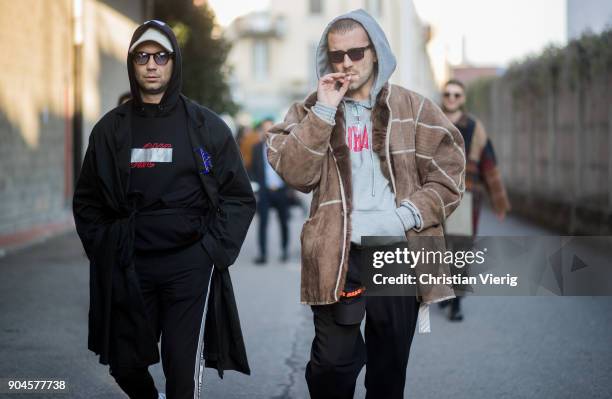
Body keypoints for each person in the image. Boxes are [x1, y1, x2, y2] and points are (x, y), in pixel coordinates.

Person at [265, 9, 465, 399]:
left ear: (375, 52)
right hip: (338, 254)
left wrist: (406, 215)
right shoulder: (311, 110)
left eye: (356, 53)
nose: (346, 63)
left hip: (396, 254)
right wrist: (323, 111)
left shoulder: (415, 108)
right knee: (330, 369)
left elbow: (450, 173)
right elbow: (295, 173)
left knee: (389, 370)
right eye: (337, 55)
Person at [73, 20, 255, 399]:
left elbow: (238, 196)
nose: (152, 64)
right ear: (131, 63)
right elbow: (87, 201)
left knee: (180, 369)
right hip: (129, 263)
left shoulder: (206, 126)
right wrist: (107, 248)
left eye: (161, 55)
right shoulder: (109, 131)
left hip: (189, 265)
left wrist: (212, 251)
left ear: (174, 62)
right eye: (142, 56)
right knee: (124, 364)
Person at [439, 78, 511, 321]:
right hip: (433, 196)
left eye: (456, 94)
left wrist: (499, 203)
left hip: (463, 197)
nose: (451, 98)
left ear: (463, 98)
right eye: (447, 93)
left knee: (459, 251)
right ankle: (443, 292)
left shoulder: (474, 127)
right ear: (442, 95)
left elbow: (489, 163)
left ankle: (456, 302)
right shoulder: (431, 120)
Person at [249, 118, 291, 264]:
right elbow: (252, 170)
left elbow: (289, 168)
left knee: (284, 222)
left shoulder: (283, 147)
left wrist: (289, 188)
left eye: (271, 128)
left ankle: (285, 251)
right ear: (261, 131)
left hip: (280, 190)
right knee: (263, 223)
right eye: (265, 129)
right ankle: (263, 254)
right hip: (264, 191)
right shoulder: (256, 148)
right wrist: (256, 187)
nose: (268, 132)